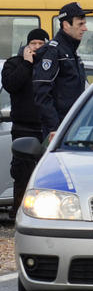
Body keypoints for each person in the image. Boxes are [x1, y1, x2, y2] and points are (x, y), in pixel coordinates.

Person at [2, 28, 50, 217]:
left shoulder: (50, 65)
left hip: (47, 128)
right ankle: (19, 213)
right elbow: (11, 85)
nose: (37, 47)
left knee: (46, 176)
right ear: (27, 46)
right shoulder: (14, 64)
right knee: (22, 174)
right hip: (23, 128)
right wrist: (26, 64)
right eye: (33, 44)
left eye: (41, 44)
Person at [33, 2, 91, 140]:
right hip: (59, 132)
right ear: (66, 25)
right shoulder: (53, 52)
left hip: (73, 127)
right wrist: (56, 128)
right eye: (80, 24)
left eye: (84, 24)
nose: (85, 28)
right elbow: (42, 93)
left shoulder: (70, 52)